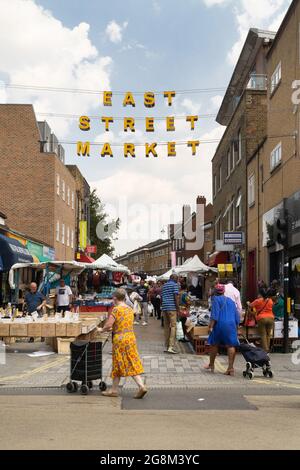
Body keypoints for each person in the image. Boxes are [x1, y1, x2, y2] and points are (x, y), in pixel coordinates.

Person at [97, 288, 147, 399]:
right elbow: (123, 323)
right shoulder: (129, 309)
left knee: (117, 362)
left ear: (115, 298)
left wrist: (102, 330)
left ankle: (115, 390)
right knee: (132, 361)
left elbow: (109, 325)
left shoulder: (116, 310)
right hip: (130, 337)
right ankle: (140, 386)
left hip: (120, 339)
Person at [204, 284, 240, 376]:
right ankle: (230, 368)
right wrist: (236, 326)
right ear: (224, 291)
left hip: (220, 324)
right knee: (230, 345)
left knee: (214, 344)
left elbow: (215, 316)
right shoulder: (231, 301)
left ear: (215, 292)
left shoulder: (215, 300)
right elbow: (237, 315)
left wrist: (211, 327)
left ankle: (211, 364)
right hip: (231, 324)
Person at [248, 288, 274, 352]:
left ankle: (265, 349)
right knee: (268, 334)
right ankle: (267, 347)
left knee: (263, 334)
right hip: (271, 318)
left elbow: (250, 306)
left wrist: (248, 303)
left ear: (260, 294)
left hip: (262, 318)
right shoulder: (270, 300)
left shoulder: (258, 300)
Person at [161, 274, 180, 354]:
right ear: (174, 278)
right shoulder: (175, 285)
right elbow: (175, 297)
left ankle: (167, 345)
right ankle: (171, 347)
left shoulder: (164, 285)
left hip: (164, 308)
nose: (177, 280)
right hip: (172, 308)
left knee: (166, 327)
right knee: (173, 326)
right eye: (177, 279)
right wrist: (178, 308)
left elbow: (162, 297)